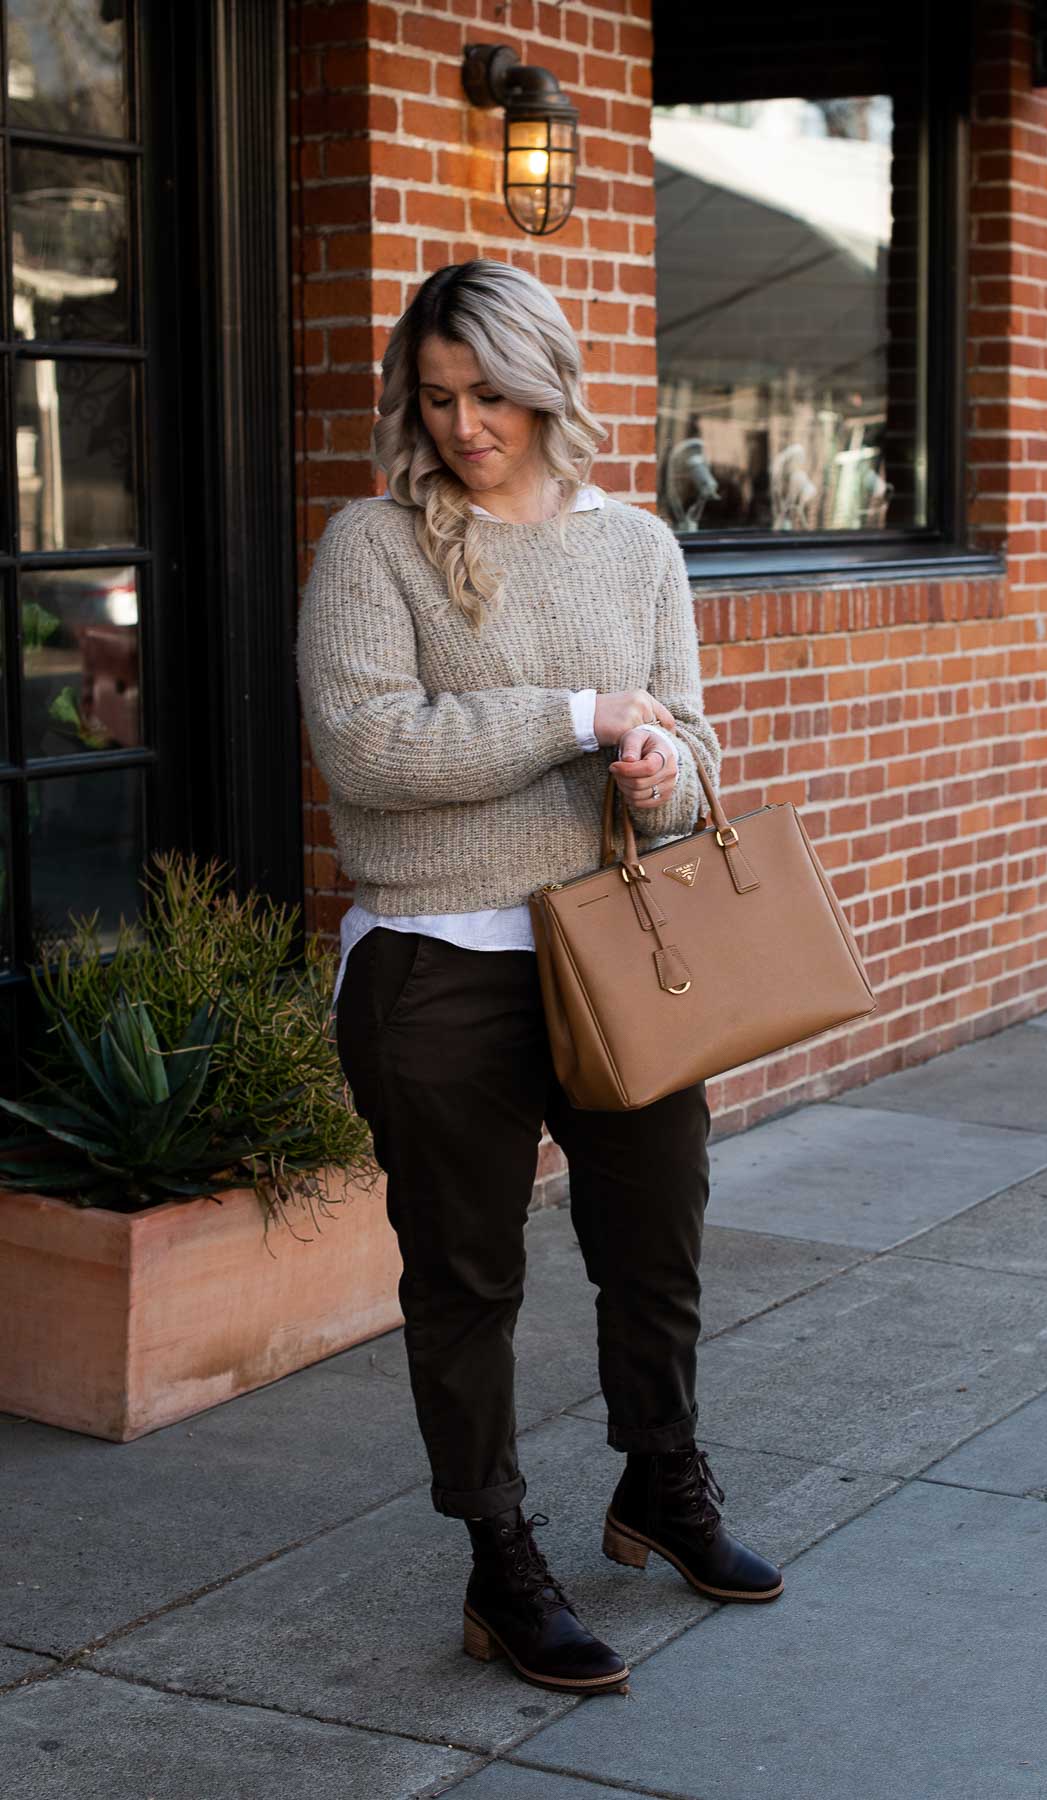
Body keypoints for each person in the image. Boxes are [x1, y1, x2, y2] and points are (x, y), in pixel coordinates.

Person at [296, 259, 782, 1698]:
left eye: (491, 395)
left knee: (657, 1240)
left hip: (621, 958)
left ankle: (662, 1483)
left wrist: (651, 770)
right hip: (436, 970)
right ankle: (502, 1562)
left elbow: (694, 765)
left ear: (548, 385)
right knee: (464, 1278)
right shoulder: (370, 548)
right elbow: (372, 753)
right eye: (439, 398)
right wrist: (579, 715)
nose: (464, 425)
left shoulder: (636, 547)